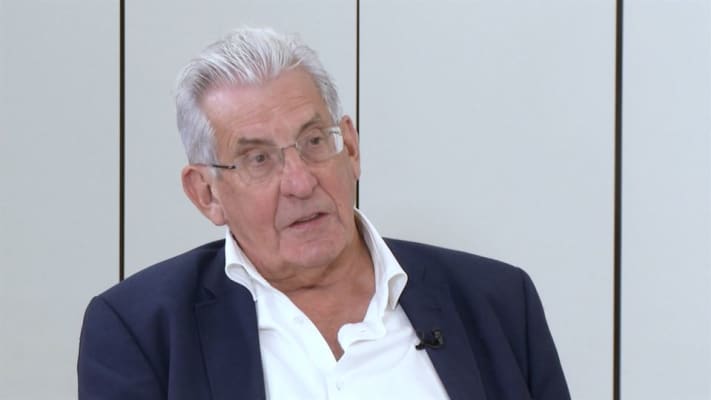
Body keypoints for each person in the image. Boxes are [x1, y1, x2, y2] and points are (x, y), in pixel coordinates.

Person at [78, 27, 570, 400]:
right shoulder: (140, 332)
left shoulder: (498, 301)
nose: (300, 182)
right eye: (258, 159)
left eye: (314, 141)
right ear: (206, 193)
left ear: (350, 147)